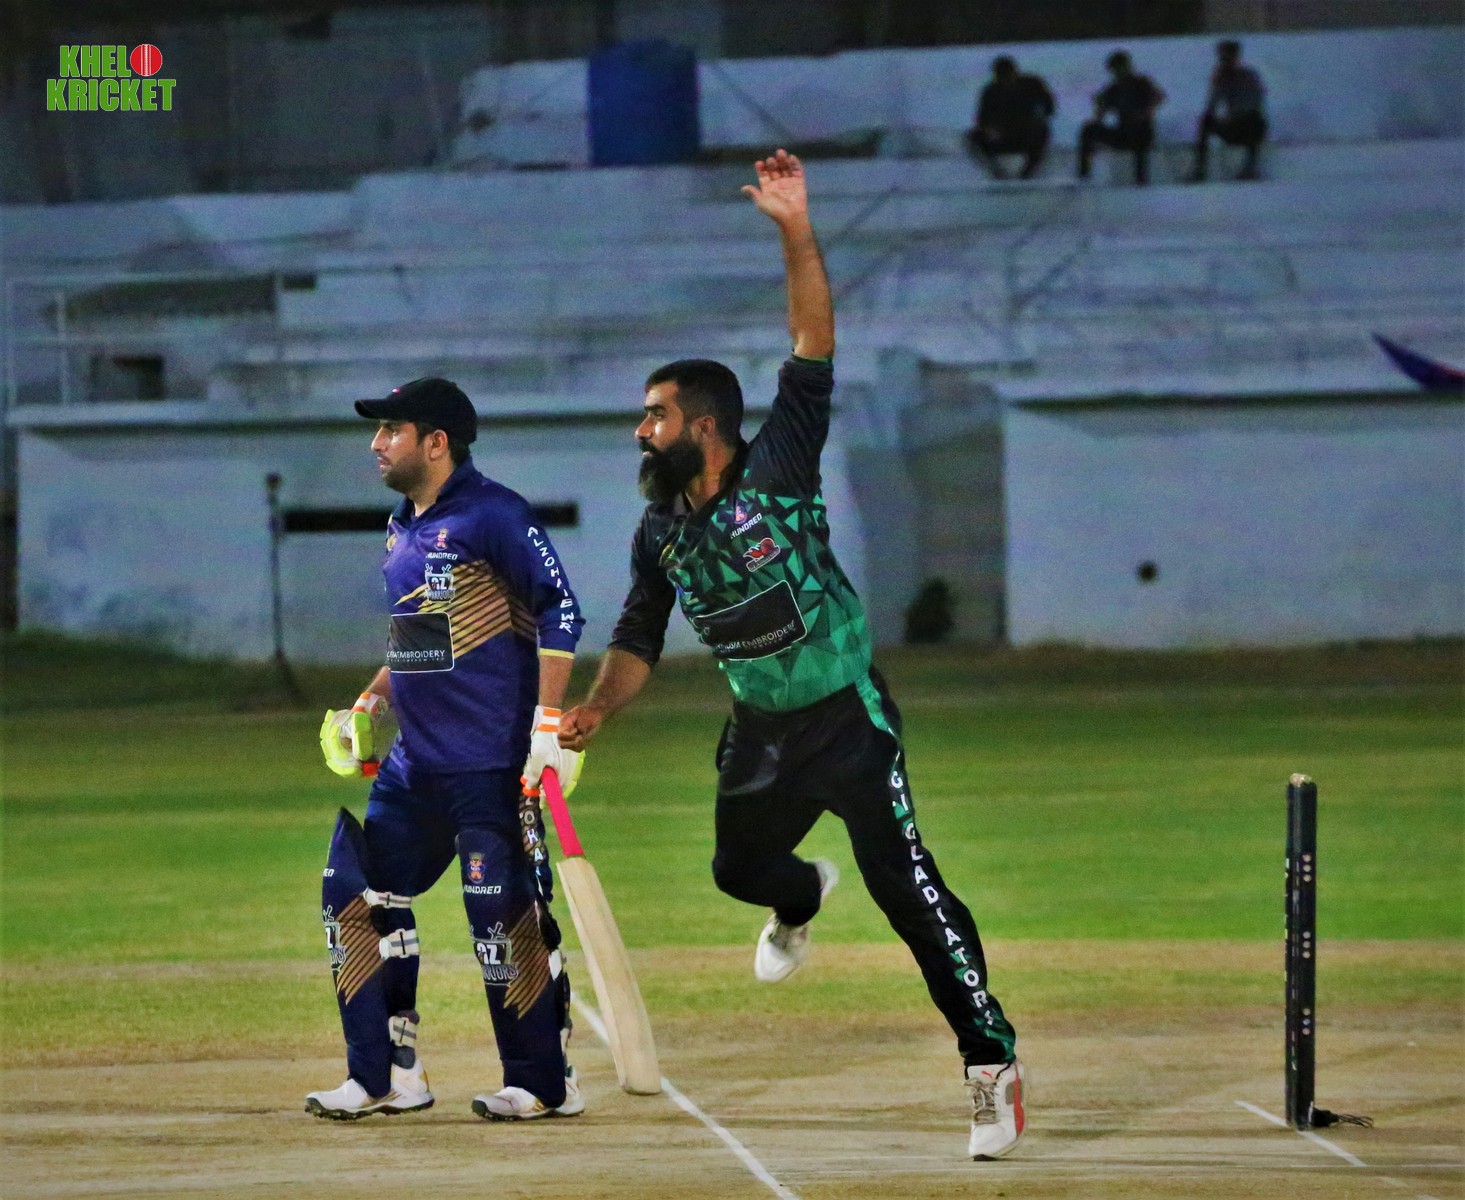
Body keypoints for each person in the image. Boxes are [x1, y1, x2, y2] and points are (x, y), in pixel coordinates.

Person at [557, 149, 1025, 1160]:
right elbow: (637, 638)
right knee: (739, 869)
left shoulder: (777, 466)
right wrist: (599, 707)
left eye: (655, 415)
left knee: (907, 893)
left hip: (849, 721)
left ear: (705, 426)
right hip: (760, 732)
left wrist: (794, 227)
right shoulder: (659, 533)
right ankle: (802, 899)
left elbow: (812, 341)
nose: (641, 430)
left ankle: (989, 1063)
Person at [306, 376, 588, 1123]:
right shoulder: (403, 525)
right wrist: (371, 701)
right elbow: (422, 635)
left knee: (499, 913)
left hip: (491, 762)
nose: (376, 444)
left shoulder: (495, 514)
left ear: (436, 443)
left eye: (391, 430)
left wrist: (546, 725)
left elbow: (562, 609)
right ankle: (386, 1074)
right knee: (356, 894)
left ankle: (543, 1081)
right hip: (415, 765)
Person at [1077, 50, 1166, 185]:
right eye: (1114, 70)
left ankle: (1141, 179)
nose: (1116, 73)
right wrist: (1100, 104)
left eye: (1119, 68)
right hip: (1123, 133)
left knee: (1139, 132)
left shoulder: (1141, 83)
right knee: (1089, 130)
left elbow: (1158, 97)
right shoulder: (1114, 88)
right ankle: (1084, 175)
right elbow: (1101, 114)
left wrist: (1144, 112)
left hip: (1142, 132)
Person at [1187, 40, 1267, 182]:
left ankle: (1249, 168)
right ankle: (1200, 169)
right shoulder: (1225, 77)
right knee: (1207, 121)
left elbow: (1255, 102)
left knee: (1254, 120)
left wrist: (1232, 116)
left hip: (1247, 124)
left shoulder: (1246, 76)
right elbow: (1212, 106)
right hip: (1237, 126)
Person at [965, 55, 1056, 180]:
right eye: (1001, 77)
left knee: (1043, 130)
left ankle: (1028, 173)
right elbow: (982, 120)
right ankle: (998, 173)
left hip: (1027, 134)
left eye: (1008, 76)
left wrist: (1037, 117)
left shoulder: (1033, 85)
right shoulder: (990, 91)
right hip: (1003, 136)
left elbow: (1049, 108)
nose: (1006, 80)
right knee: (973, 137)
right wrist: (990, 130)